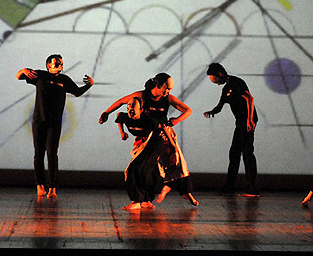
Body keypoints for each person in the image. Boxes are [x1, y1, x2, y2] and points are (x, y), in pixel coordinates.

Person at [99, 73, 199, 206]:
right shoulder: (142, 95)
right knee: (148, 168)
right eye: (167, 89)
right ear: (158, 85)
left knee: (176, 162)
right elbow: (121, 102)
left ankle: (185, 192)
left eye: (170, 89)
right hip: (146, 136)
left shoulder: (168, 98)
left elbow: (187, 110)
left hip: (163, 134)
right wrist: (106, 113)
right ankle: (145, 199)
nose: (168, 92)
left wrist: (176, 120)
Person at [16, 54, 93, 200]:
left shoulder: (64, 79)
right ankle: (40, 185)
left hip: (54, 123)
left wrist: (89, 84)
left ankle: (52, 187)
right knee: (39, 154)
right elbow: (19, 76)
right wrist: (24, 70)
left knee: (52, 154)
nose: (60, 64)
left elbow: (76, 92)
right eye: (56, 62)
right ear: (48, 65)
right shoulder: (40, 75)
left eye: (61, 63)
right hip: (39, 121)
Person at [203, 63, 259, 196]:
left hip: (247, 121)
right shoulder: (226, 89)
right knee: (234, 153)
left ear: (220, 74)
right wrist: (211, 112)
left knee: (247, 153)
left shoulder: (236, 82)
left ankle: (253, 188)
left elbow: (249, 99)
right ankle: (230, 186)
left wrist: (250, 119)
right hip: (239, 122)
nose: (216, 83)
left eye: (215, 80)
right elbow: (220, 106)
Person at [114, 97, 162, 210]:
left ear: (141, 110)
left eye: (133, 109)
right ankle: (146, 200)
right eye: (128, 108)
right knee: (149, 171)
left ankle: (136, 201)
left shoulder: (149, 119)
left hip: (155, 144)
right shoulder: (125, 117)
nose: (130, 111)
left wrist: (172, 144)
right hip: (142, 145)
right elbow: (119, 117)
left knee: (134, 168)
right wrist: (122, 132)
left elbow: (162, 129)